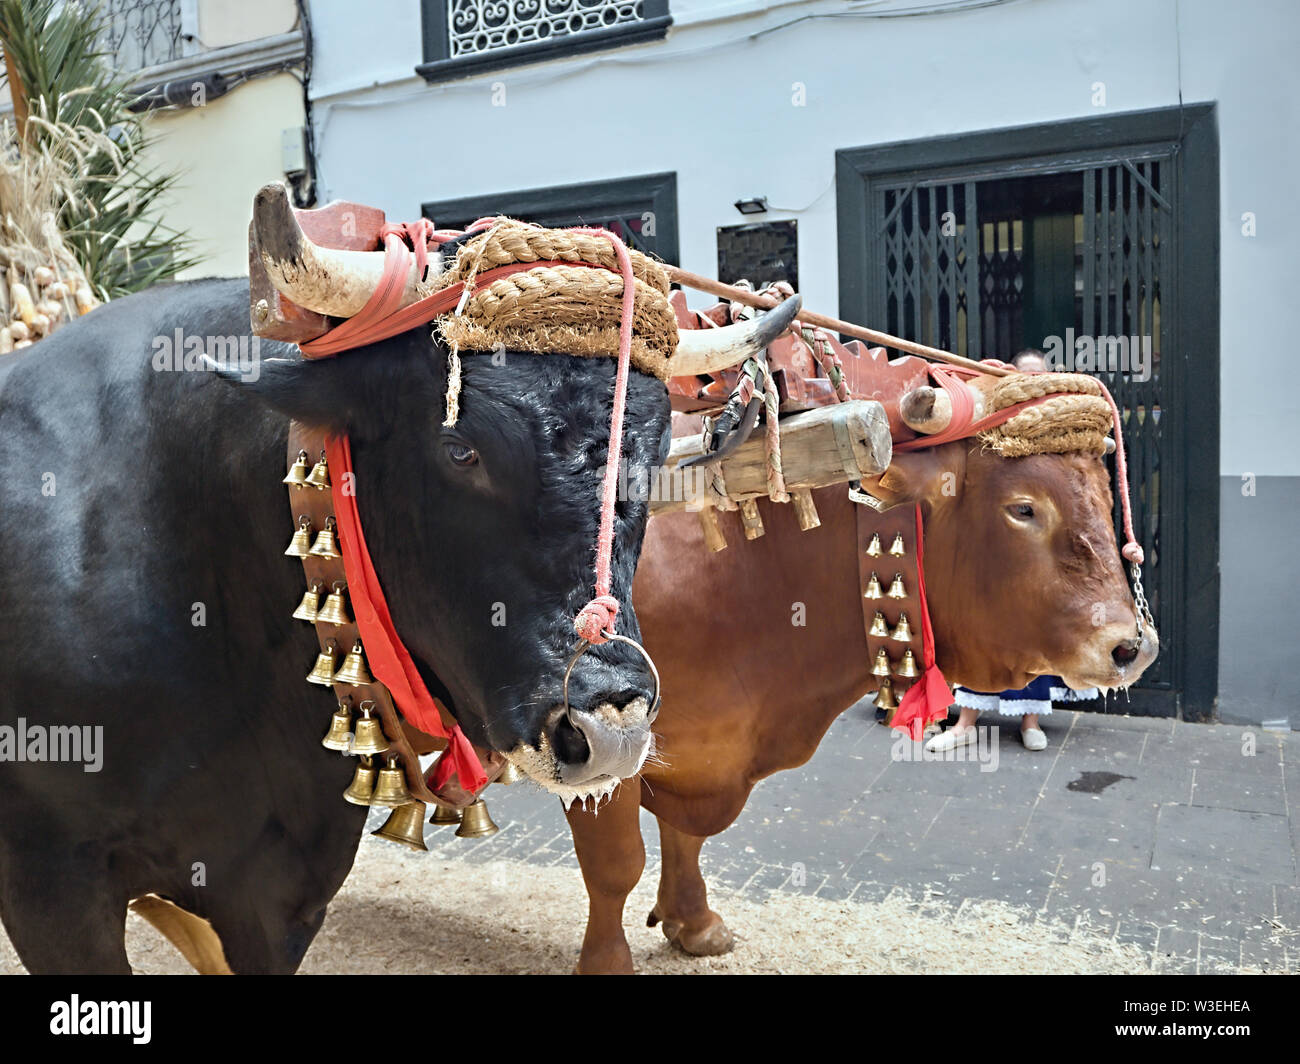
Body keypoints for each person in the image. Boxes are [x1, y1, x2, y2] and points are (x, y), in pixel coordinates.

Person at [924, 348, 1097, 753]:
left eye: (1038, 378)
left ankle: (1030, 721)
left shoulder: (1060, 437)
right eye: (1024, 378)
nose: (1031, 386)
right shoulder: (990, 425)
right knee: (980, 625)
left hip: (1039, 556)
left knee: (1034, 631)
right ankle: (966, 722)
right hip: (996, 555)